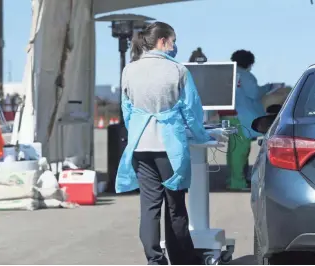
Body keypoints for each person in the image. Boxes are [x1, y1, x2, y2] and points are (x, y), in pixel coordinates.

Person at [116, 22, 214, 265]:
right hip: (168, 147)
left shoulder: (129, 70)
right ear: (162, 41)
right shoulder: (178, 71)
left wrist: (138, 129)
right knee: (175, 207)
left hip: (140, 145)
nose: (174, 46)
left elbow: (127, 109)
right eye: (173, 40)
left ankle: (154, 260)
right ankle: (183, 260)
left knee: (149, 208)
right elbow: (191, 111)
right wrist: (203, 137)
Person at [220, 50, 272, 190]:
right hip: (241, 117)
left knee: (233, 150)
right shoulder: (245, 75)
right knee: (240, 151)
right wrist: (269, 87)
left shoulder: (228, 74)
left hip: (229, 115)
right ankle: (238, 182)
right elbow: (254, 93)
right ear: (249, 63)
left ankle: (233, 179)